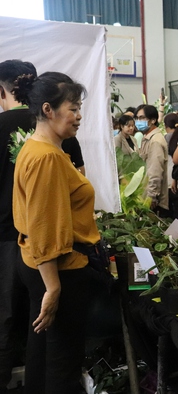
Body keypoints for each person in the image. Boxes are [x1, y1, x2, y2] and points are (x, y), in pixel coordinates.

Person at [12, 72, 100, 394]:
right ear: (48, 110)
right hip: (58, 269)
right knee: (63, 361)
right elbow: (44, 226)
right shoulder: (47, 157)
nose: (78, 116)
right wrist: (53, 289)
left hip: (35, 262)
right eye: (73, 108)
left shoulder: (35, 148)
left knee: (43, 352)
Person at [0, 59, 36, 394]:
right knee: (38, 309)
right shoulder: (52, 126)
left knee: (6, 310)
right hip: (43, 235)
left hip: (5, 234)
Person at [135, 105, 170, 217]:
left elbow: (155, 171)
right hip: (146, 196)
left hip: (154, 201)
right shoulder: (147, 138)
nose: (138, 121)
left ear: (153, 120)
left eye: (141, 118)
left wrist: (152, 196)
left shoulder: (155, 141)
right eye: (136, 118)